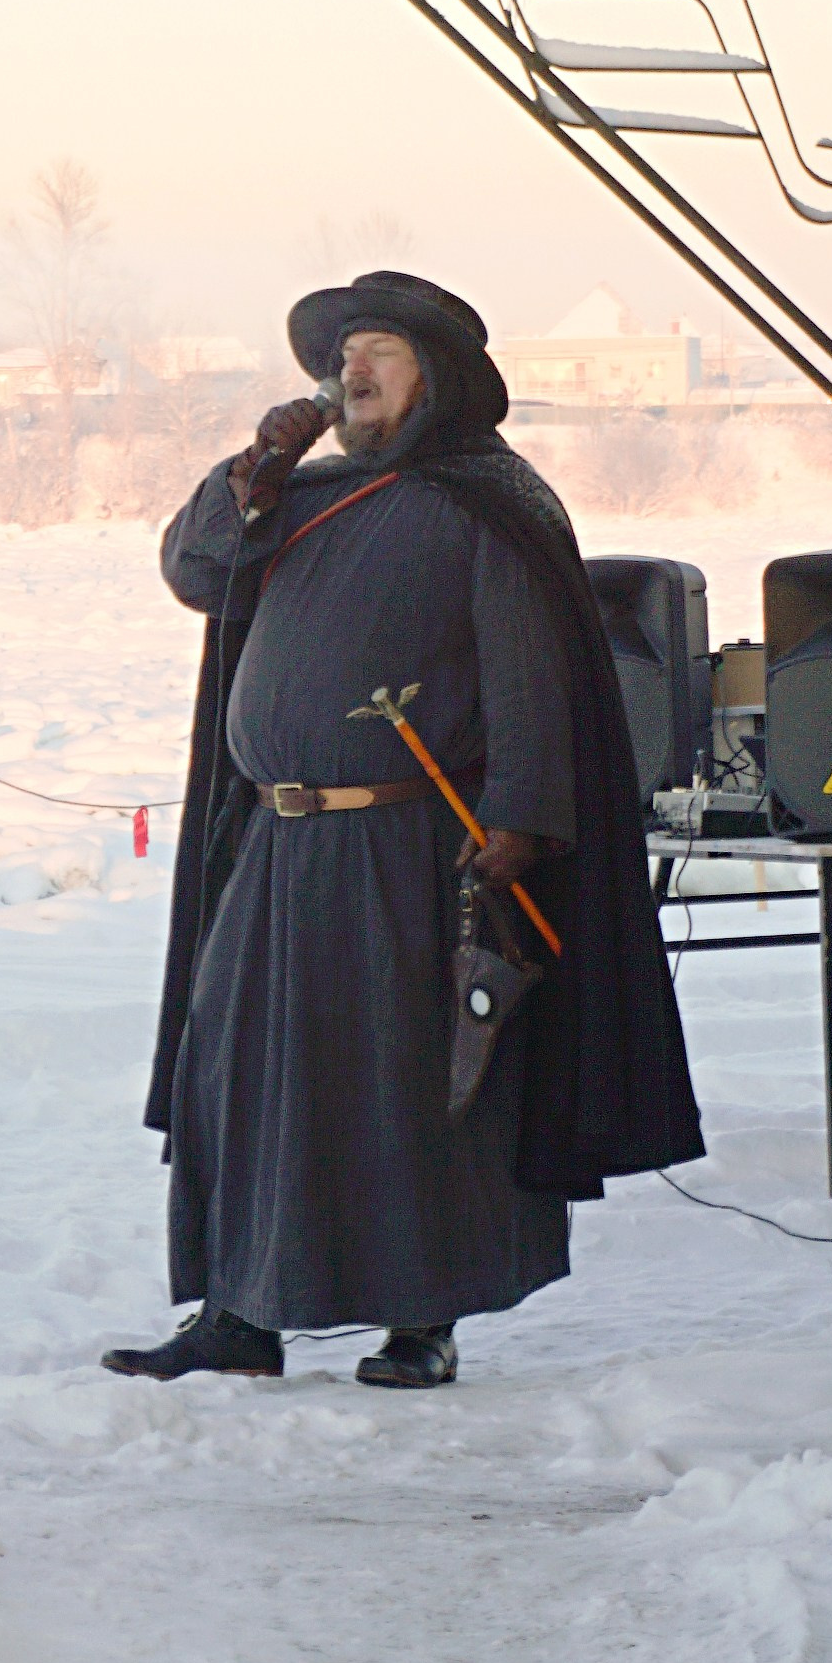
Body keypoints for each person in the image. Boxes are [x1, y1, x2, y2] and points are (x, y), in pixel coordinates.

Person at [105, 271, 702, 1390]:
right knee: (237, 1073)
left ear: (438, 375)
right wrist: (252, 472)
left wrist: (521, 824)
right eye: (342, 354)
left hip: (408, 852)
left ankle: (423, 1317)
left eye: (377, 348)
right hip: (273, 850)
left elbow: (529, 676)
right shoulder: (299, 493)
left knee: (406, 1084)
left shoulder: (484, 501)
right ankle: (240, 1310)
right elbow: (194, 571)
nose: (352, 372)